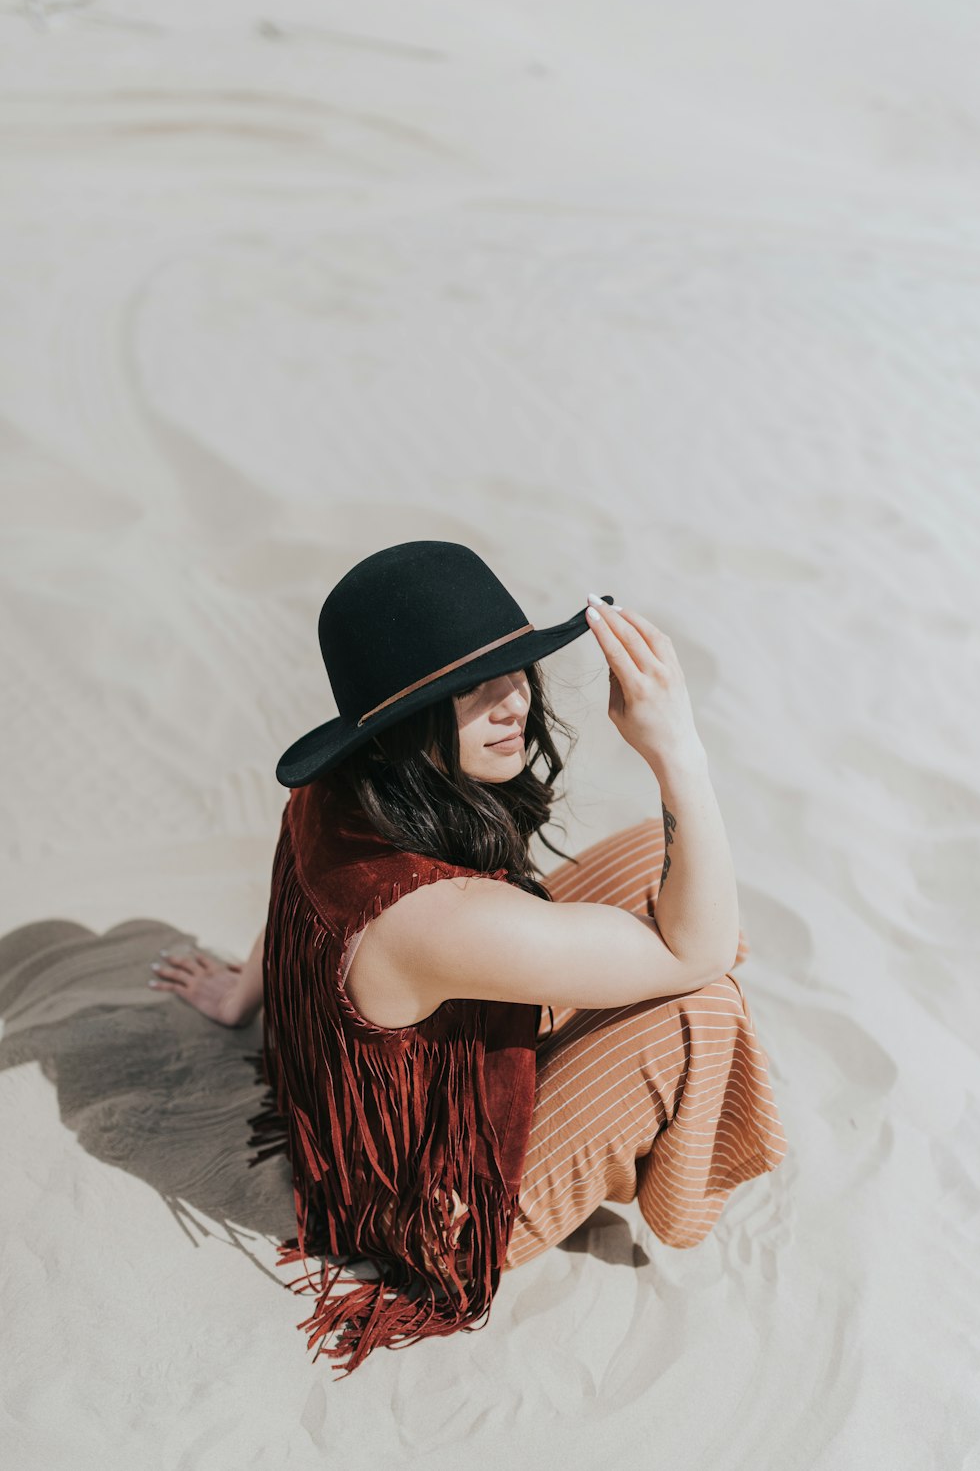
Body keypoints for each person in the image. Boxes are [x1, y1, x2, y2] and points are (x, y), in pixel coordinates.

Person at [146, 541, 787, 1376]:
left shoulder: (335, 789)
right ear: (397, 726)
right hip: (436, 1213)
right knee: (700, 1006)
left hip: (379, 1101)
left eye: (513, 669)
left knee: (645, 857)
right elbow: (693, 951)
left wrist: (246, 990)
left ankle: (656, 1116)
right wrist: (677, 754)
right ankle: (678, 1200)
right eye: (465, 692)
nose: (510, 704)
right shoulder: (435, 921)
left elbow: (298, 900)